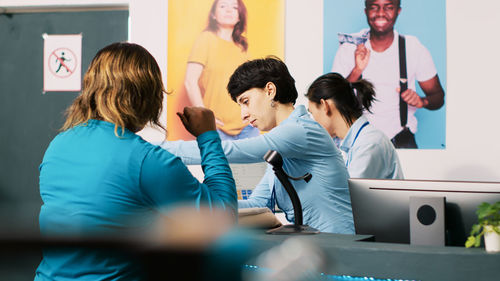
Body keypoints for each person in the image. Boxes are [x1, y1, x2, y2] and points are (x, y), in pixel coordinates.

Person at [35, 42, 237, 280]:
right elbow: (223, 220)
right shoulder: (148, 161)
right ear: (147, 96)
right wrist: (208, 136)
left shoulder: (58, 146)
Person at [160, 57, 354, 234]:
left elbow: (230, 151)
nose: (243, 115)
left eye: (246, 102)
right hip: (316, 247)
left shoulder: (301, 131)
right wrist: (198, 205)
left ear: (270, 90)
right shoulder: (280, 149)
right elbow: (258, 204)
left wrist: (150, 150)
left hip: (341, 246)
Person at [331, 0, 445, 148]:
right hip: (358, 141)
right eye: (374, 7)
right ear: (366, 11)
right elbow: (330, 99)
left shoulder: (413, 47)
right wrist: (356, 71)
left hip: (402, 141)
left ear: (398, 11)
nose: (380, 13)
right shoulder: (349, 47)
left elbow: (438, 96)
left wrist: (422, 101)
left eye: (389, 7)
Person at [182, 0, 259, 140]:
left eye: (234, 7)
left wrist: (253, 114)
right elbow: (189, 81)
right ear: (213, 15)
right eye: (223, 6)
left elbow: (251, 86)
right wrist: (205, 118)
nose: (229, 10)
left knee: (257, 163)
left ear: (239, 16)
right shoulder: (205, 39)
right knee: (217, 162)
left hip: (248, 127)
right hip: (217, 128)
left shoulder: (242, 46)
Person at [306, 72, 404, 179]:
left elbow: (346, 193)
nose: (313, 121)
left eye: (312, 113)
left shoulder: (370, 143)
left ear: (325, 106)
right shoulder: (350, 144)